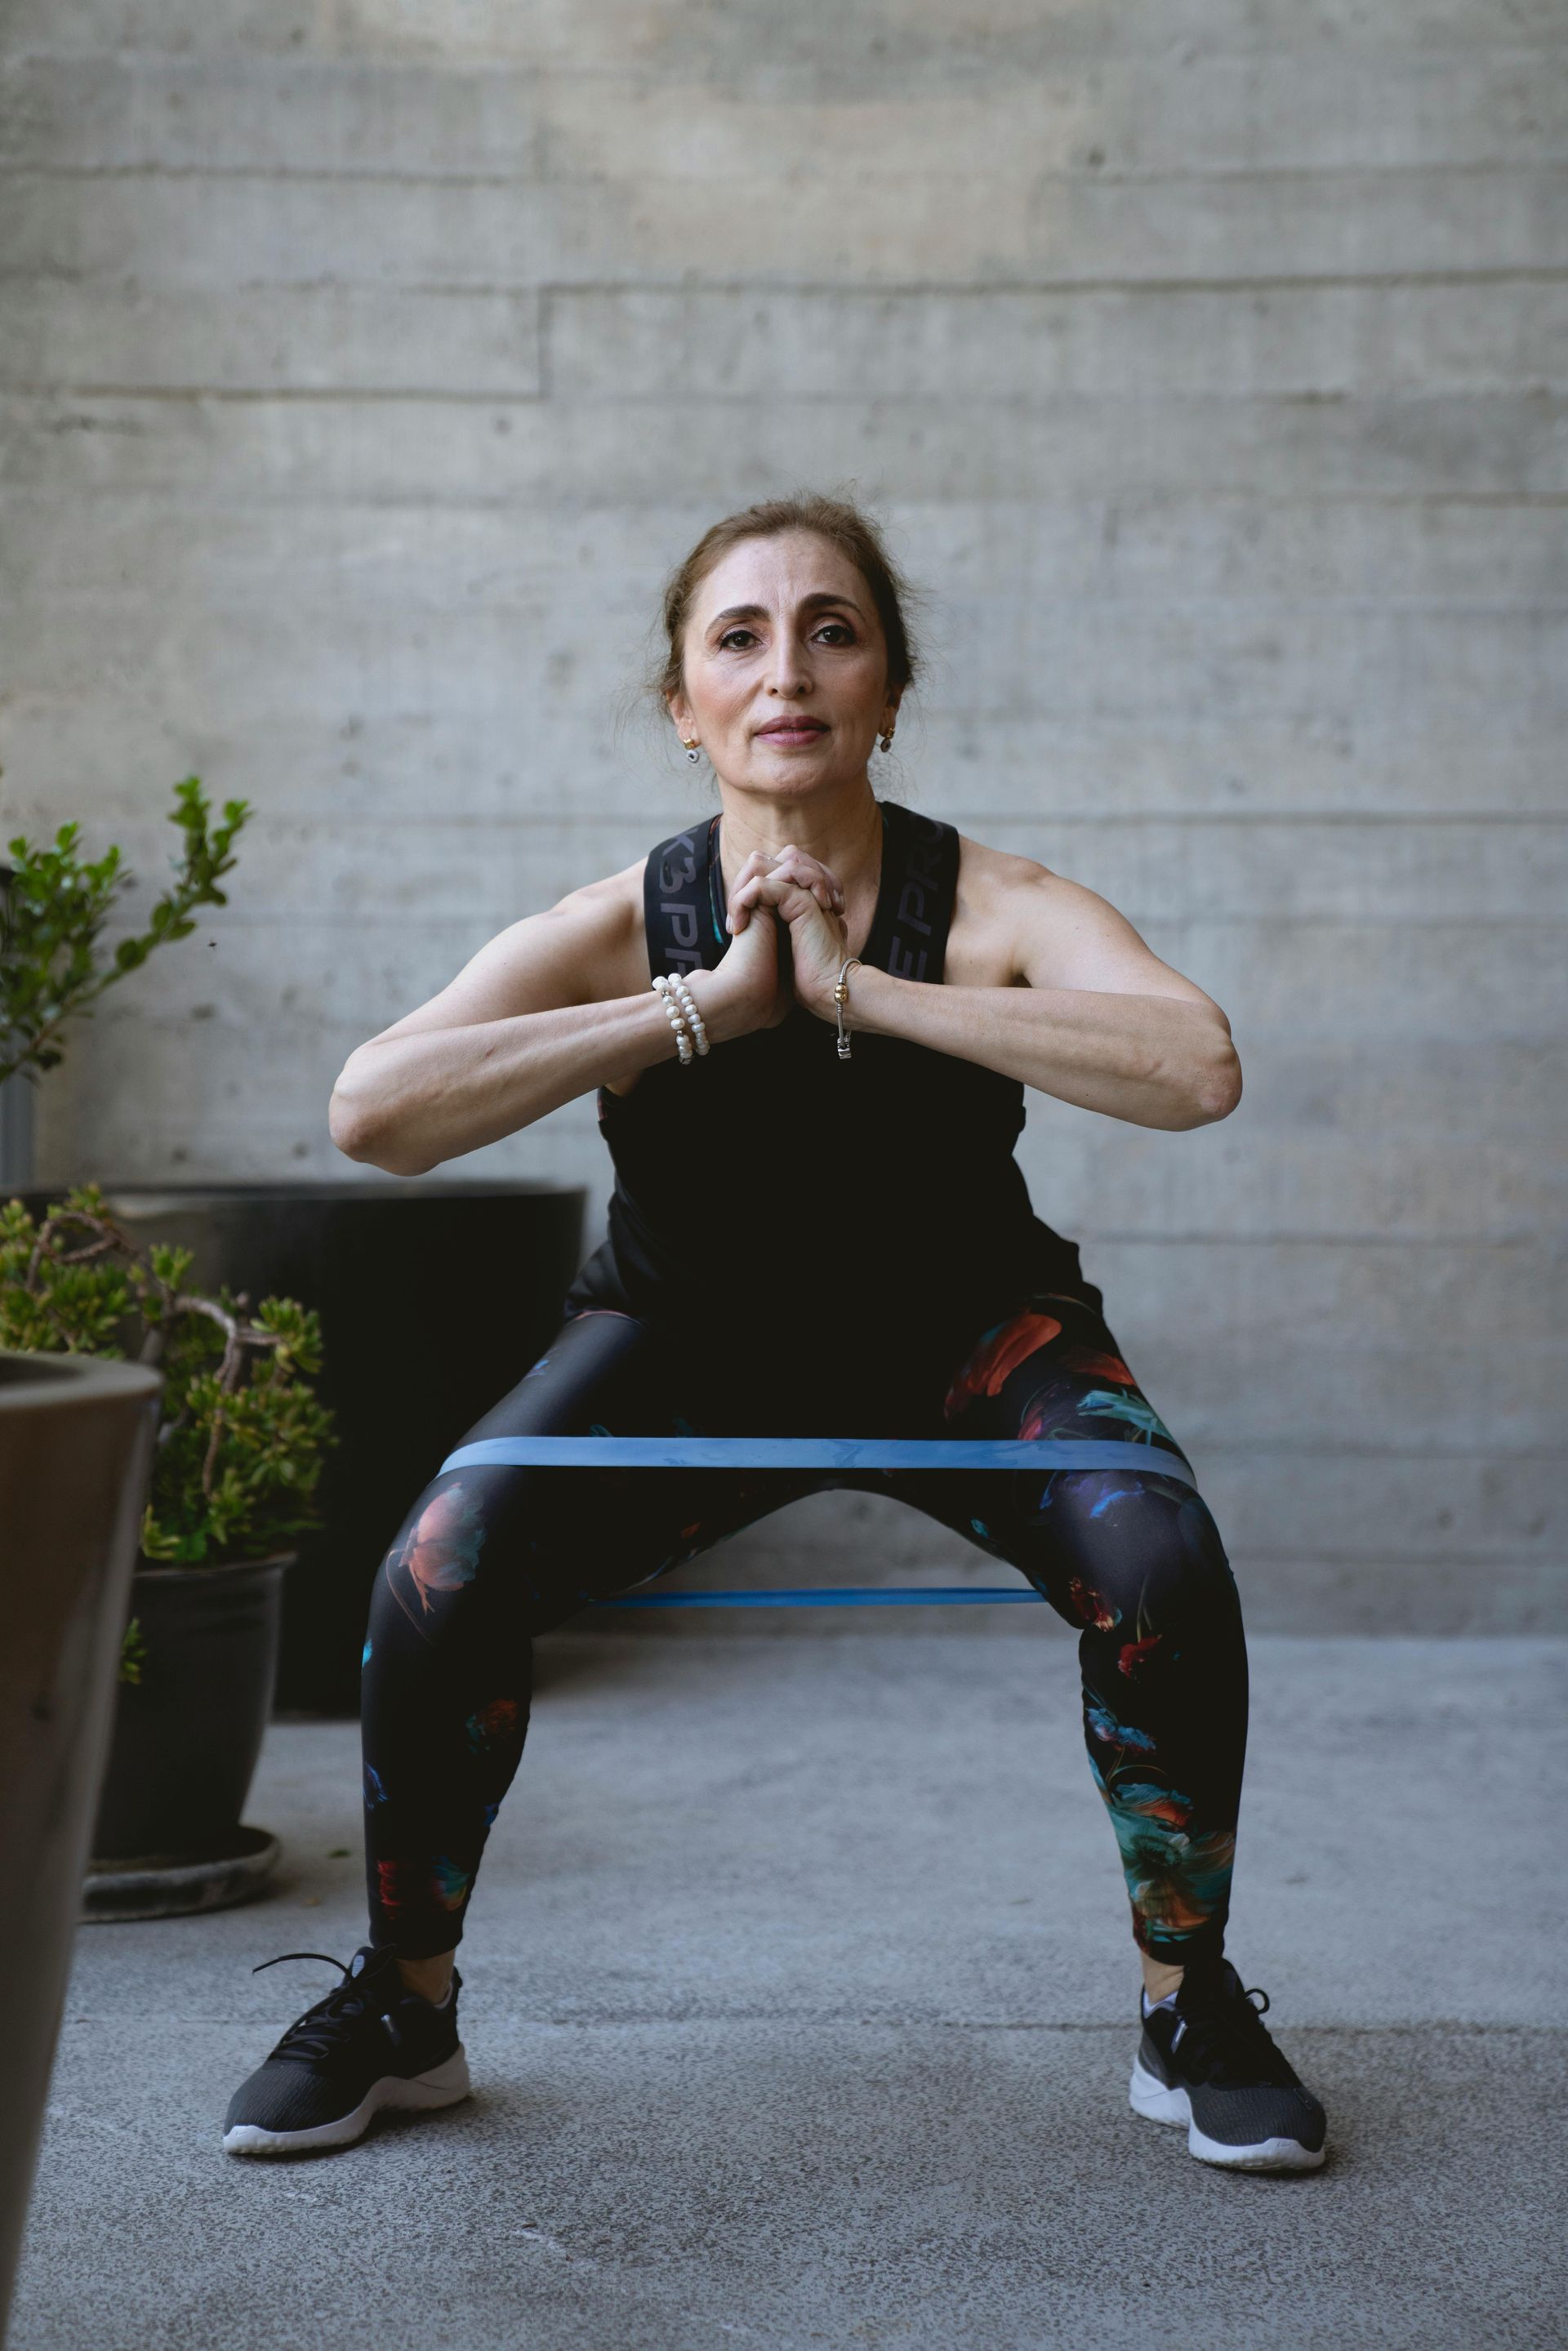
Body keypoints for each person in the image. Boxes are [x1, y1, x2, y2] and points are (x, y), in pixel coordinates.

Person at [222, 492, 1326, 2173]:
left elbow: (1199, 1065)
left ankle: (1194, 2005)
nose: (784, 667)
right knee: (436, 1567)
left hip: (974, 1342)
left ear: (887, 690)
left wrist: (856, 996)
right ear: (684, 703)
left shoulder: (989, 902)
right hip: (683, 1344)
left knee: (1162, 1563)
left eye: (833, 628)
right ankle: (404, 2004)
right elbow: (376, 1109)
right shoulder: (625, 920)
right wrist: (707, 1009)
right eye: (737, 635)